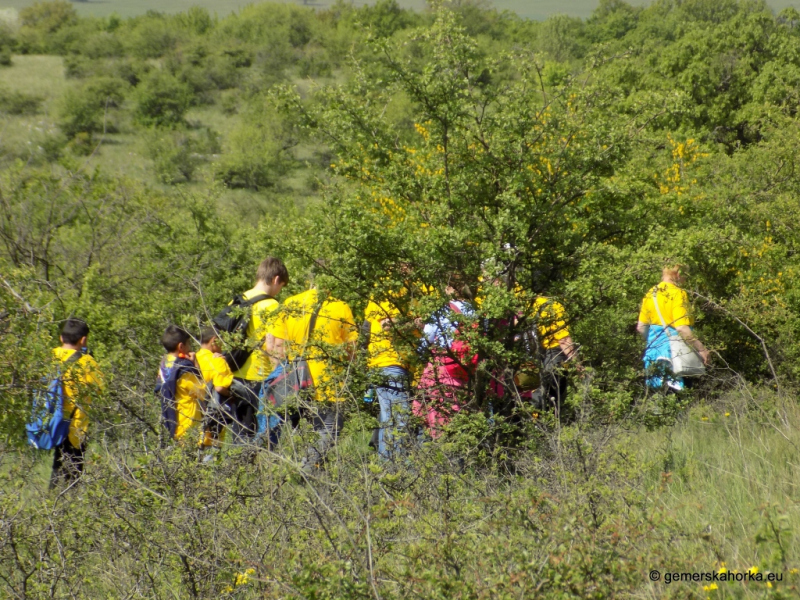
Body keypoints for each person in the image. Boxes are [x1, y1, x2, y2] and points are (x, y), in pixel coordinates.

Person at [267, 279, 358, 472]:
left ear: (309, 281)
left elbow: (277, 346)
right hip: (328, 384)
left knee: (302, 434)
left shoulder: (290, 304)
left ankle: (304, 478)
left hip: (296, 385)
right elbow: (352, 348)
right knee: (328, 430)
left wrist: (281, 374)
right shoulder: (340, 307)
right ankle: (304, 473)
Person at [229, 257, 288, 442]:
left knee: (240, 430)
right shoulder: (272, 306)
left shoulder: (237, 301)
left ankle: (235, 468)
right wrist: (279, 376)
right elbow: (273, 345)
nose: (279, 291)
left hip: (234, 373)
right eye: (282, 286)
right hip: (259, 376)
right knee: (261, 434)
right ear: (276, 279)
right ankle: (251, 468)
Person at [414, 284, 478, 437]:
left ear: (451, 288)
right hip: (464, 370)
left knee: (433, 414)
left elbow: (426, 340)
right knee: (459, 417)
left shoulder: (443, 310)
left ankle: (439, 456)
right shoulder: (475, 310)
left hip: (442, 368)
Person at [49, 318, 104, 489]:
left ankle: (50, 506)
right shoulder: (86, 362)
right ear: (83, 340)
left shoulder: (51, 356)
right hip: (76, 427)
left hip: (53, 422)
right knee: (73, 472)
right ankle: (67, 510)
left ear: (61, 338)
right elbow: (100, 390)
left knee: (57, 468)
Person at [637, 265, 709, 391]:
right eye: (685, 275)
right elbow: (681, 328)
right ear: (677, 274)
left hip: (653, 356)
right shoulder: (678, 293)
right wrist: (702, 349)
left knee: (656, 401)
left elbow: (641, 327)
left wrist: (655, 342)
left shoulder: (651, 293)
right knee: (678, 399)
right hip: (674, 357)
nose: (686, 280)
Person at [364, 293, 419, 460]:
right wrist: (415, 323)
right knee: (398, 422)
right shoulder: (391, 288)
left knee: (389, 421)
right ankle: (393, 472)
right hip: (390, 363)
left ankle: (386, 470)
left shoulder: (388, 287)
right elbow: (387, 325)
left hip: (387, 364)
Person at [528, 296, 580, 418]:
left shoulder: (528, 303)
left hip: (534, 354)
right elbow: (563, 339)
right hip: (555, 354)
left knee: (535, 392)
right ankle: (548, 430)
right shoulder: (554, 305)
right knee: (552, 398)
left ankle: (532, 424)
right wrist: (577, 363)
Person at [156, 325, 205, 444]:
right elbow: (203, 393)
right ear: (181, 346)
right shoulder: (184, 369)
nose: (190, 349)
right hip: (188, 427)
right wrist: (196, 365)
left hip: (173, 424)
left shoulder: (164, 364)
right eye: (188, 345)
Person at [196, 327, 239, 452]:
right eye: (222, 341)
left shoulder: (192, 359)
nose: (224, 346)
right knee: (212, 462)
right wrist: (232, 395)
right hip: (212, 430)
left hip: (192, 423)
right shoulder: (218, 360)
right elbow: (220, 388)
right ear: (214, 341)